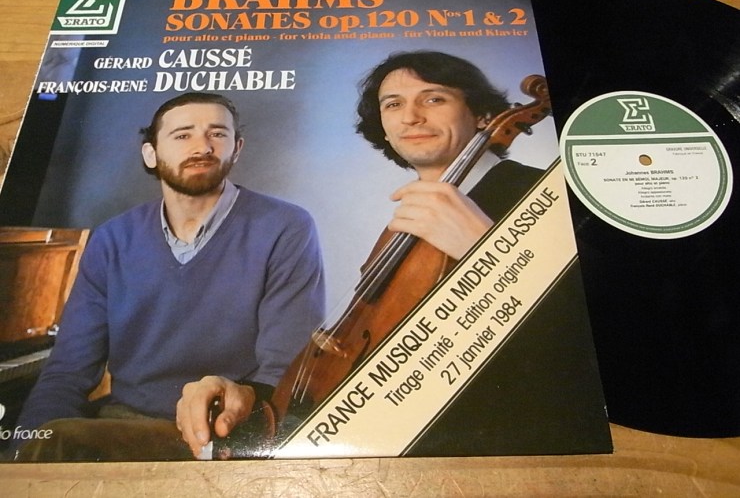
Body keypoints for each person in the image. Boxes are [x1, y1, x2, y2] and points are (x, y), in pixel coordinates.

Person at [13, 92, 325, 461]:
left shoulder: (286, 227)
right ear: (151, 153)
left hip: (225, 432)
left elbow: (285, 369)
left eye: (218, 134)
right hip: (124, 423)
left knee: (62, 442)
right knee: (47, 443)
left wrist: (238, 413)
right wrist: (23, 452)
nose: (202, 147)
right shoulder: (112, 239)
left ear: (237, 149)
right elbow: (68, 372)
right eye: (182, 135)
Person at [352, 51, 611, 456]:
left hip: (523, 433)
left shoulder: (549, 192)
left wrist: (486, 250)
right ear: (384, 130)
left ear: (481, 115)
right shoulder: (402, 222)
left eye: (434, 98)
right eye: (394, 105)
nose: (411, 117)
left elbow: (600, 327)